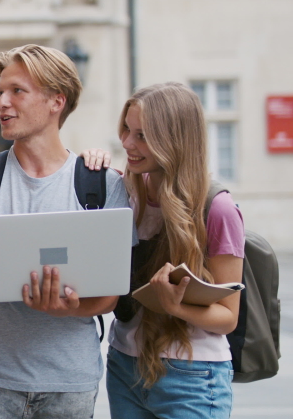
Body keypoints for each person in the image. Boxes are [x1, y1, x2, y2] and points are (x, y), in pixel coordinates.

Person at [0, 44, 133, 418]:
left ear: (56, 101)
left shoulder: (103, 184)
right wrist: (8, 260)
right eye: (0, 93)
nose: (2, 103)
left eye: (17, 92)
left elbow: (109, 296)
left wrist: (67, 309)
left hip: (70, 384)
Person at [82, 82, 244, 419]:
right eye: (126, 129)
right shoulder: (121, 193)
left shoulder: (217, 209)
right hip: (125, 366)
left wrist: (177, 306)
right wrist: (84, 168)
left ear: (174, 140)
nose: (128, 143)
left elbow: (228, 318)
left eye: (142, 135)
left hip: (193, 376)